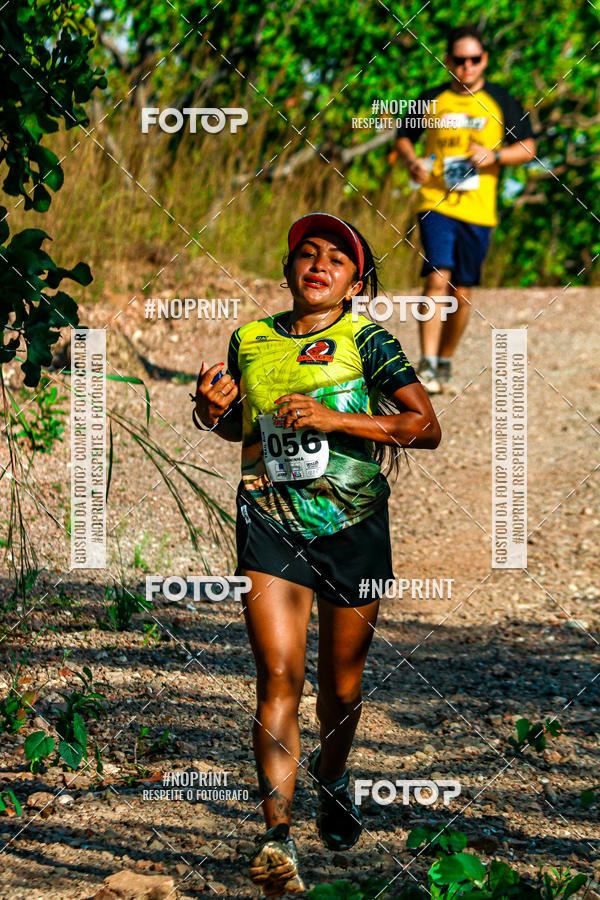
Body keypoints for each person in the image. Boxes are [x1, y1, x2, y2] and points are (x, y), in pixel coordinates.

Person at [192, 212, 441, 897]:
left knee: (341, 690)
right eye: (307, 253)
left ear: (355, 281)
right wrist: (208, 413)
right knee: (277, 676)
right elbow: (243, 428)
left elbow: (425, 427)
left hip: (352, 526)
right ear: (288, 268)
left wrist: (337, 420)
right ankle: (276, 839)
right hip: (268, 522)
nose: (318, 265)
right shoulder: (251, 338)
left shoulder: (368, 339)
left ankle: (333, 778)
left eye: (336, 258)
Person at [391, 24, 536, 393]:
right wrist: (412, 161)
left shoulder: (501, 100)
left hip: (479, 208)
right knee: (437, 274)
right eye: (459, 60)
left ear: (484, 60)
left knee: (463, 289)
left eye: (474, 60)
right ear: (448, 60)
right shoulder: (430, 98)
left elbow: (529, 148)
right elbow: (404, 137)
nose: (467, 67)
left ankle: (444, 362)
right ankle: (425, 364)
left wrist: (496, 155)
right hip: (435, 200)